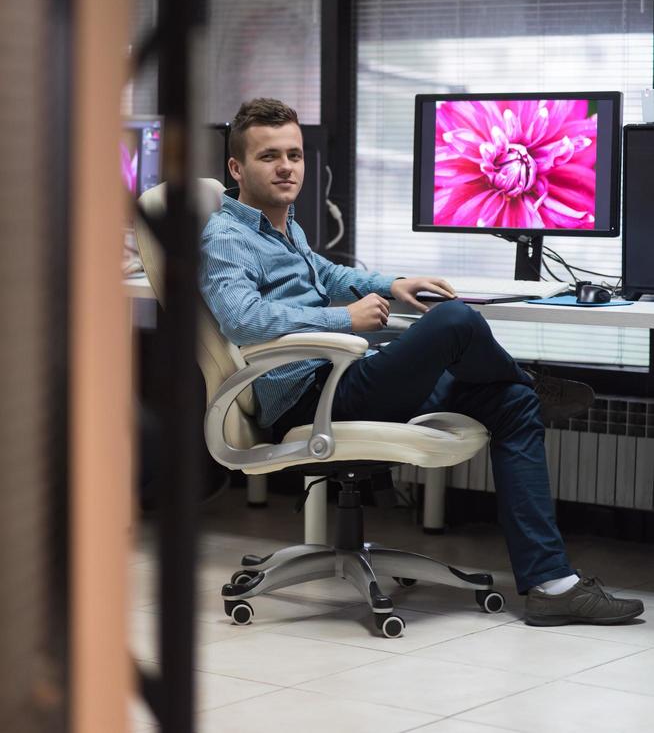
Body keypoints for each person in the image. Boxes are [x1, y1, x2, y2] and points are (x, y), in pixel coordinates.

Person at [199, 97, 644, 627]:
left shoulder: (283, 227)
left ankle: (552, 585)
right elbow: (245, 319)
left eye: (294, 155)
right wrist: (345, 320)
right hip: (311, 395)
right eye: (269, 156)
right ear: (236, 168)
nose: (287, 167)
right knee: (455, 322)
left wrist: (390, 285)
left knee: (511, 403)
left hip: (345, 376)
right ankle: (531, 380)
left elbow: (325, 275)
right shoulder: (224, 238)